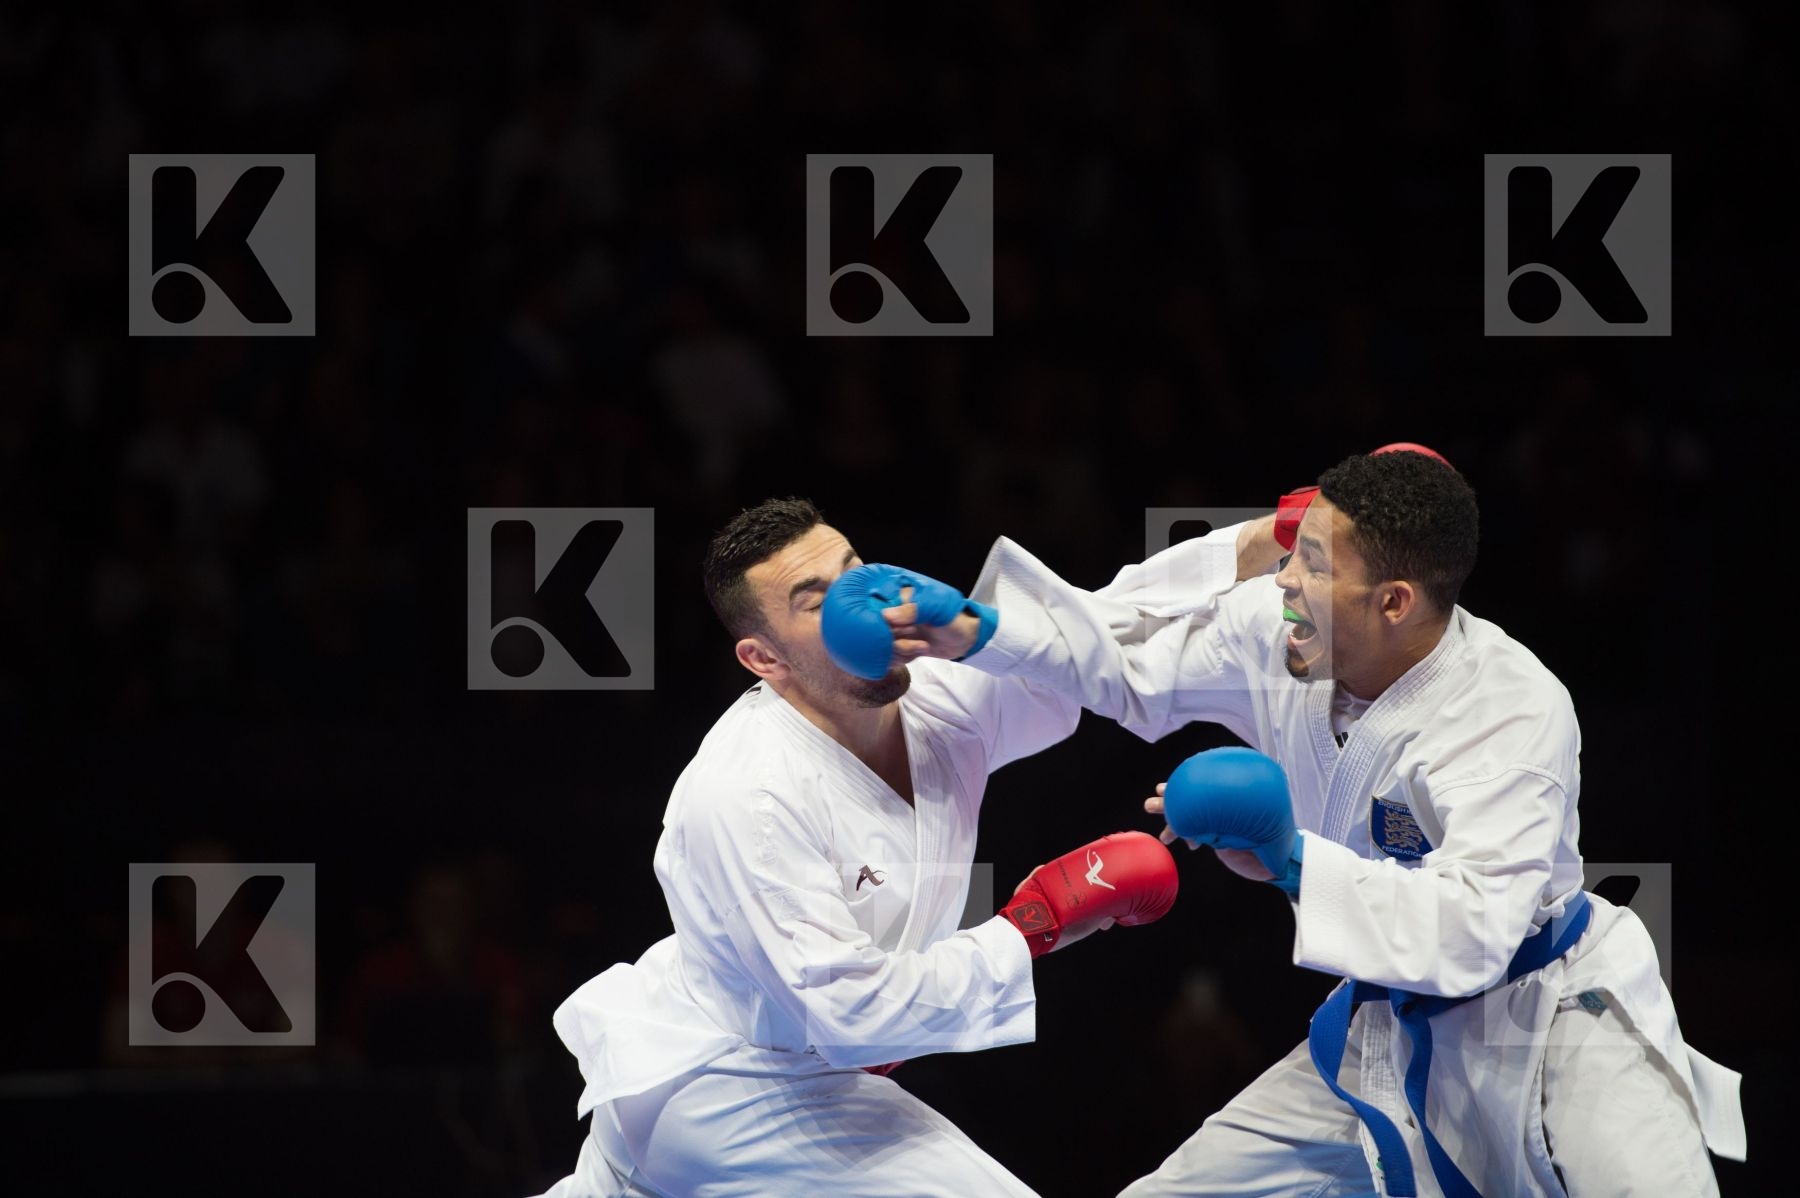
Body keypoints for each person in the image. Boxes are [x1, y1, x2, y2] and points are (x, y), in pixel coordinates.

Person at [868, 451, 1746, 1196]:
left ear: (1394, 601)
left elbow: (1477, 930)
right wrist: (985, 631)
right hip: (1389, 1022)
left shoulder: (1510, 715)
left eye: (1314, 562)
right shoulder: (1277, 633)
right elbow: (1127, 661)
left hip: (1550, 1019)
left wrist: (1290, 859)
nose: (1283, 579)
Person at [534, 497, 1179, 1198]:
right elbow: (855, 1016)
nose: (859, 609)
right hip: (728, 1084)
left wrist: (1256, 544)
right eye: (816, 603)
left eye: (855, 574)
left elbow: (1095, 647)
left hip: (801, 1071)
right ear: (764, 658)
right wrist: (1034, 924)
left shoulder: (939, 694)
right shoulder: (749, 793)